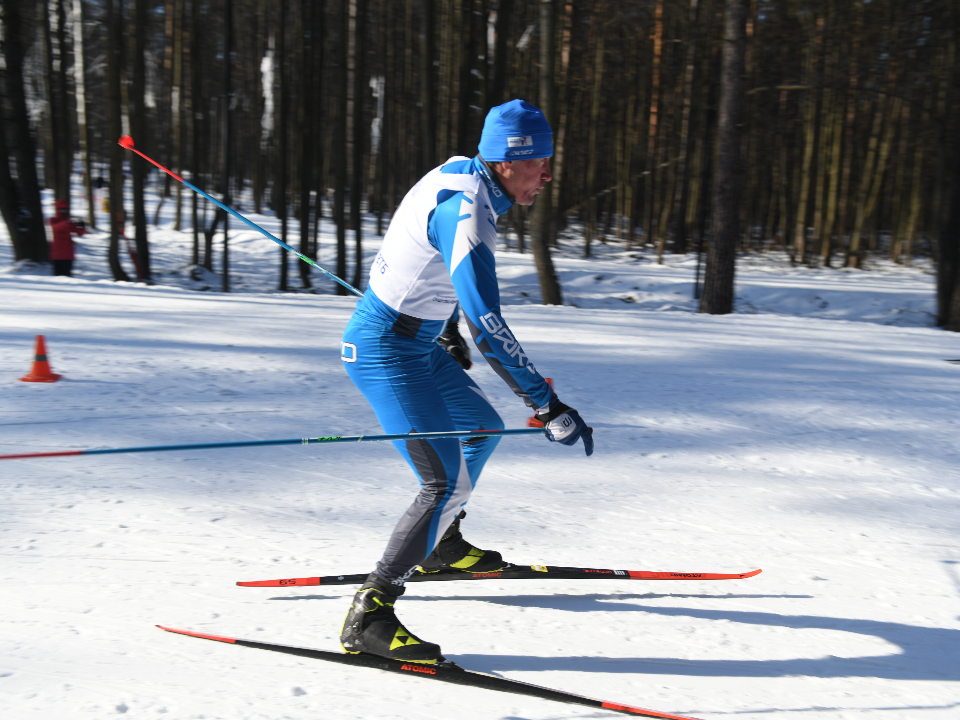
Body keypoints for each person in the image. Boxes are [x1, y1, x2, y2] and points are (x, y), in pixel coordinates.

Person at [339, 99, 594, 665]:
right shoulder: (469, 210)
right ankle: (371, 613)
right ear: (507, 162)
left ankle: (441, 544)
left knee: (482, 427)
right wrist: (547, 404)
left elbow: (432, 263)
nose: (547, 175)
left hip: (416, 341)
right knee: (444, 483)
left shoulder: (464, 174)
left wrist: (444, 327)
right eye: (539, 163)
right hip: (385, 349)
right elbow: (489, 325)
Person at [49, 199, 85, 277]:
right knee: (58, 277)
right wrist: (68, 223)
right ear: (57, 210)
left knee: (67, 277)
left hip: (68, 254)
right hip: (57, 254)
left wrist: (82, 226)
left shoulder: (68, 222)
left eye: (65, 209)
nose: (64, 211)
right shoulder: (53, 220)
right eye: (61, 209)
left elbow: (80, 233)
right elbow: (56, 228)